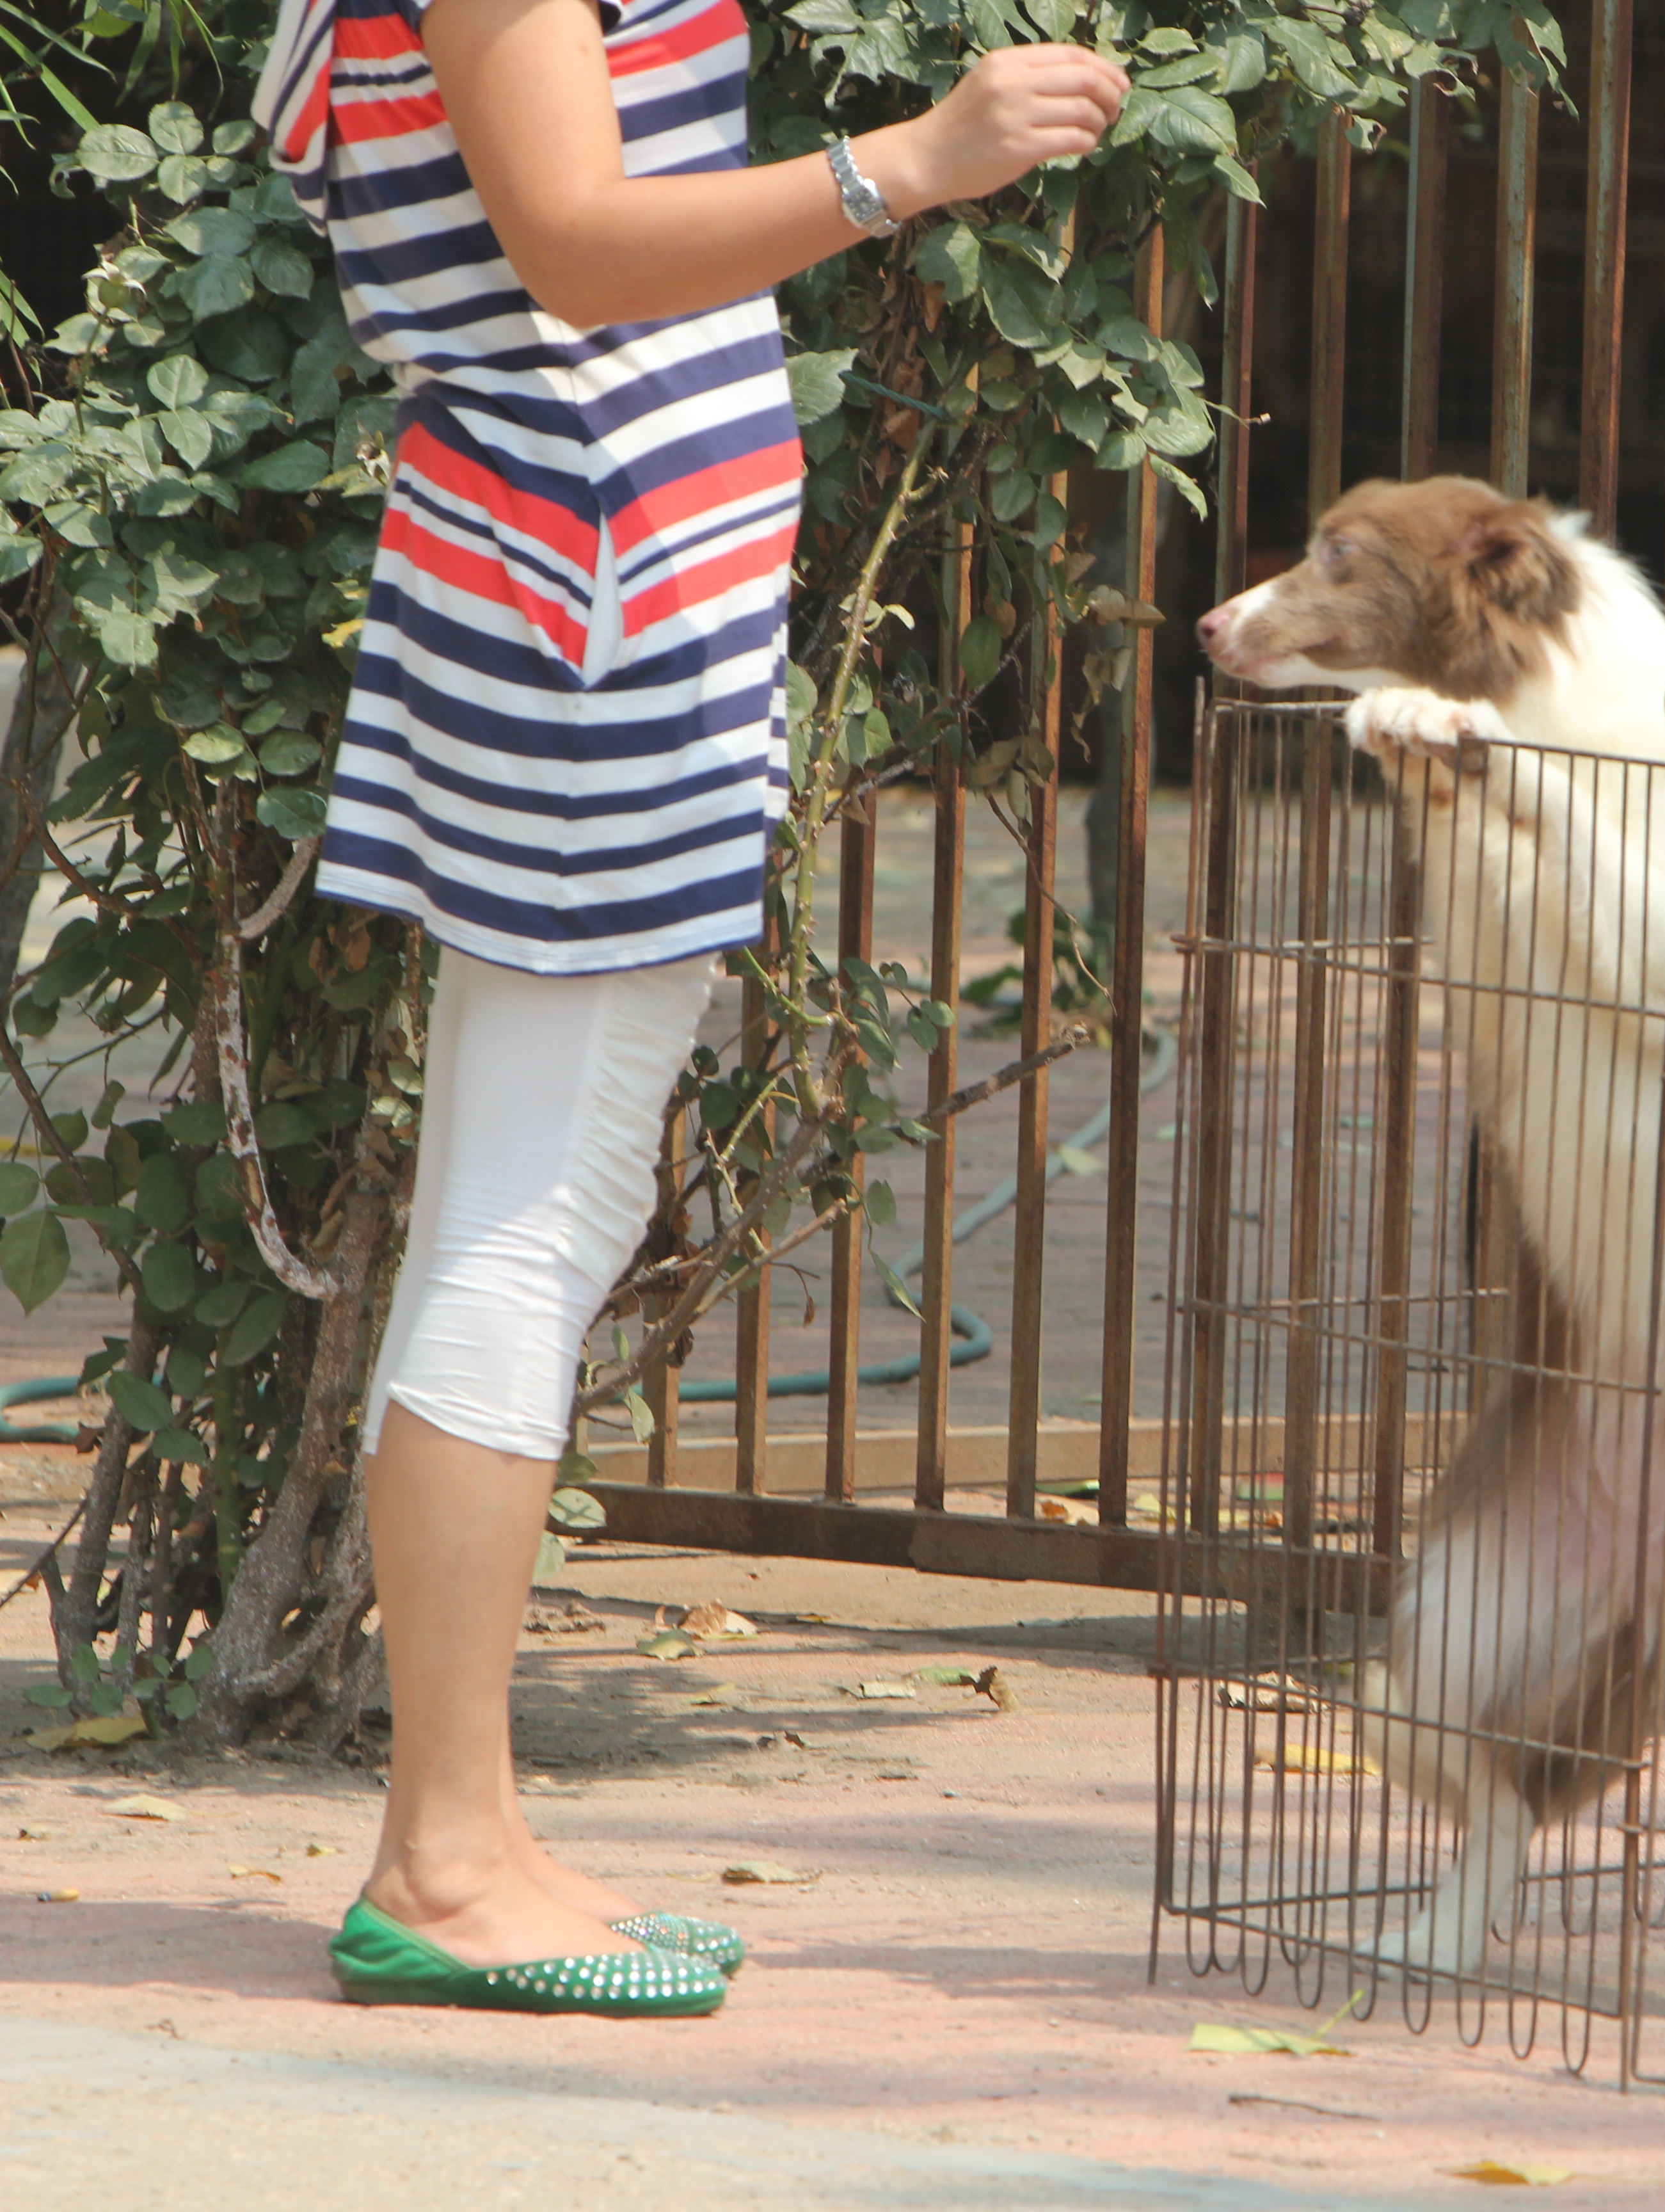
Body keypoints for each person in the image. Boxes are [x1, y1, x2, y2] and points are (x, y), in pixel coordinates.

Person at [247, 0, 1127, 2015]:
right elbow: (569, 232)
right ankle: (447, 1858)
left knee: (523, 1198)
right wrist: (916, 157)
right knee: (528, 1214)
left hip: (588, 571)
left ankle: (466, 1830)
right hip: (591, 588)